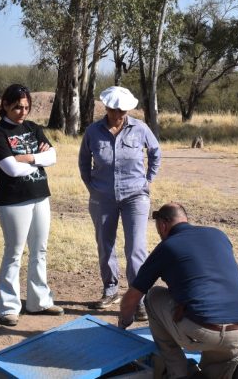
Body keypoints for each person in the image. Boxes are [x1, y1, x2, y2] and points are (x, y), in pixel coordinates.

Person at [118, 203, 238, 379]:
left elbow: (133, 297)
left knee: (153, 296)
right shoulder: (218, 235)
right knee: (213, 368)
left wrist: (124, 321)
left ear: (162, 224)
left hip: (203, 330)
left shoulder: (167, 247)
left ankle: (178, 373)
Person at [78, 86, 161, 319]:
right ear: (106, 107)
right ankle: (111, 289)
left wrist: (148, 180)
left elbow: (156, 153)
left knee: (136, 248)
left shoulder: (140, 129)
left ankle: (139, 299)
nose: (118, 115)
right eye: (114, 110)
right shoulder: (93, 132)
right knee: (105, 245)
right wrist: (91, 186)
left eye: (123, 110)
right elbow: (84, 160)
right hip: (102, 196)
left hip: (136, 195)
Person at [0, 83, 63, 327]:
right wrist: (37, 160)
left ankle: (38, 302)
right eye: (17, 107)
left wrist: (28, 158)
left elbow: (52, 157)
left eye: (26, 107)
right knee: (14, 252)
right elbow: (11, 169)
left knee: (40, 250)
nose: (22, 112)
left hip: (40, 195)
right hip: (12, 201)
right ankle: (9, 307)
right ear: (5, 105)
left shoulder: (33, 128)